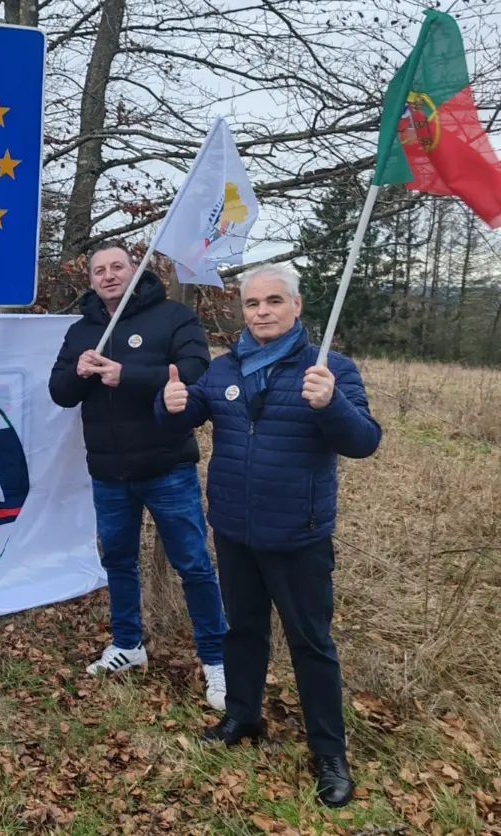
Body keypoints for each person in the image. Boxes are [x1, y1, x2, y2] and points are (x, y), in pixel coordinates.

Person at [157, 262, 382, 808]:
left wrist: (332, 404)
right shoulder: (225, 367)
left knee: (311, 644)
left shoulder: (329, 370)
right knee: (244, 631)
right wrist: (170, 406)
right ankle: (242, 715)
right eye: (253, 304)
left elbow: (364, 442)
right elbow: (189, 415)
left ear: (297, 306)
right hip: (234, 528)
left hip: (298, 535)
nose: (262, 312)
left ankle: (329, 751)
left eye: (274, 301)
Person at [49, 242, 228, 710]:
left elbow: (195, 371)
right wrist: (81, 370)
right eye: (99, 270)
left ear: (135, 271)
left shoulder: (172, 316)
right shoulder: (81, 329)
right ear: (89, 280)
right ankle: (127, 645)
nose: (108, 276)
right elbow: (60, 392)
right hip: (109, 472)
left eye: (117, 267)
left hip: (167, 466)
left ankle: (217, 658)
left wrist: (125, 374)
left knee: (194, 564)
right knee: (119, 562)